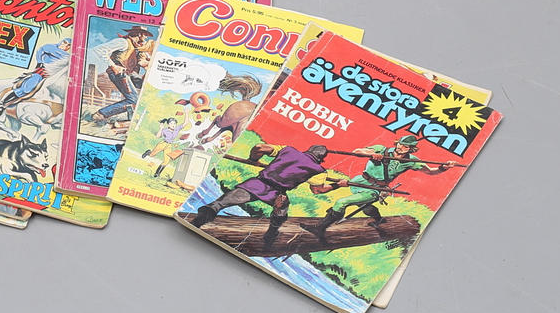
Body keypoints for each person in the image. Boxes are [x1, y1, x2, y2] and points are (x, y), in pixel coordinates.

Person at [192, 143, 345, 245]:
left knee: (219, 204)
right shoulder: (318, 170)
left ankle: (203, 217)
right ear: (321, 158)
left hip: (257, 184)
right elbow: (318, 190)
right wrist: (337, 185)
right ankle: (270, 234)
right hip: (277, 194)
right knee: (281, 213)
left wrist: (253, 159)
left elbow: (259, 147)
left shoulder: (288, 150)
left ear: (309, 150)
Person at [315, 135, 451, 236]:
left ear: (411, 149)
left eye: (405, 147)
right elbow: (357, 151)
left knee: (342, 202)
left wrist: (443, 168)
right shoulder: (381, 149)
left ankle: (319, 229)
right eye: (400, 144)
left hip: (375, 189)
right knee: (366, 207)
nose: (400, 148)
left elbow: (430, 172)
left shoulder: (411, 161)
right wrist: (372, 154)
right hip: (360, 181)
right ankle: (378, 219)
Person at [88, 27, 154, 123]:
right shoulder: (123, 42)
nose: (146, 37)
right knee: (133, 100)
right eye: (145, 35)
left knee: (147, 90)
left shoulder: (135, 47)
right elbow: (100, 50)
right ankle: (101, 114)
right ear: (139, 34)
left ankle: (133, 119)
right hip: (119, 74)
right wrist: (113, 66)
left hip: (127, 74)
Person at [0, 38, 71, 112]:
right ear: (61, 42)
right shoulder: (50, 47)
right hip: (41, 72)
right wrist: (39, 62)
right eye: (65, 43)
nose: (66, 46)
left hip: (53, 76)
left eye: (69, 45)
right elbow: (41, 50)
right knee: (27, 88)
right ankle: (1, 104)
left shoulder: (67, 56)